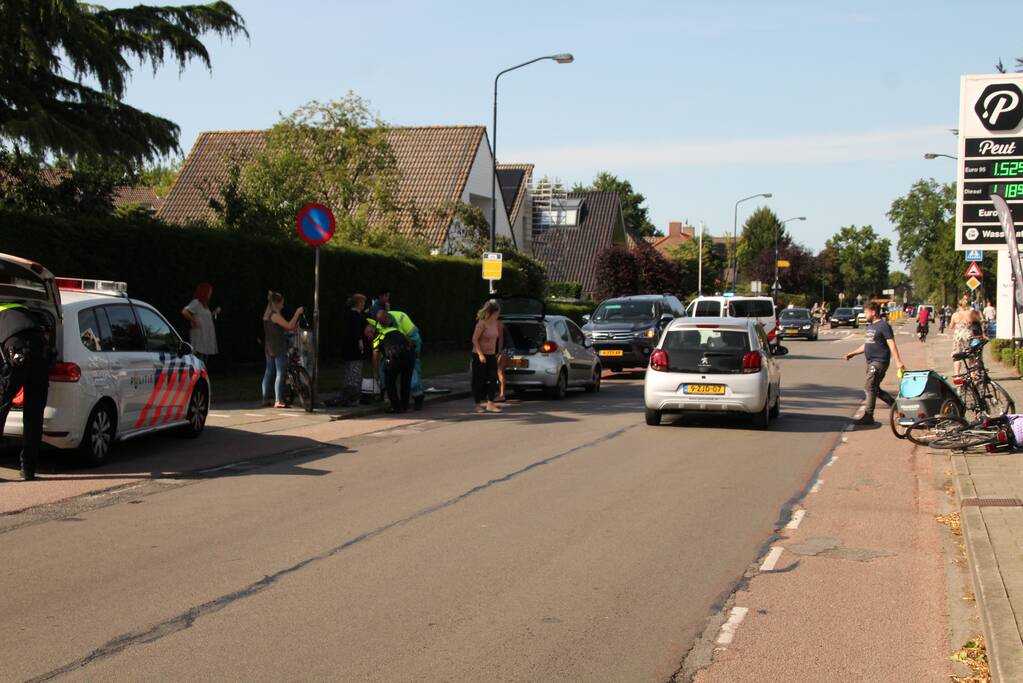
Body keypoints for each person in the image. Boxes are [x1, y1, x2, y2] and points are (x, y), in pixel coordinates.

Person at [0, 303, 51, 480]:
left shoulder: (2, 314)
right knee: (34, 415)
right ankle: (28, 469)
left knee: (2, 407)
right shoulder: (28, 313)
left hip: (16, 355)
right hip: (41, 354)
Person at [844, 301, 905, 426]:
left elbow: (891, 344)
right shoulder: (870, 326)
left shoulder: (883, 326)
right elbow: (867, 345)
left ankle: (868, 415)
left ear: (873, 312)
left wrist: (898, 361)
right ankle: (898, 409)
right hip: (871, 362)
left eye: (866, 312)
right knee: (875, 390)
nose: (864, 314)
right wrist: (852, 353)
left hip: (879, 362)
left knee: (869, 386)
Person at [262, 291, 304, 408]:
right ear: (277, 303)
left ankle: (265, 399)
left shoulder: (267, 315)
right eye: (282, 303)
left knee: (269, 372)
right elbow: (289, 325)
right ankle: (278, 400)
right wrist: (297, 313)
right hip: (279, 347)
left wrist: (291, 328)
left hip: (269, 347)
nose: (283, 306)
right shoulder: (275, 315)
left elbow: (279, 329)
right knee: (280, 373)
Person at [369, 309, 416, 413]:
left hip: (395, 358)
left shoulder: (377, 338)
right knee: (405, 382)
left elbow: (375, 357)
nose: (368, 336)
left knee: (389, 382)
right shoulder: (395, 330)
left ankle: (396, 408)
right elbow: (409, 342)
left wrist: (376, 373)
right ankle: (404, 406)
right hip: (409, 356)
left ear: (372, 331)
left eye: (368, 334)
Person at [328, 293, 367, 408]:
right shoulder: (355, 316)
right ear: (358, 303)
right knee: (355, 372)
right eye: (363, 302)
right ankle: (352, 396)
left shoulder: (351, 314)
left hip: (349, 348)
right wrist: (360, 341)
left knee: (350, 371)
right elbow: (356, 331)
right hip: (354, 349)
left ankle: (348, 395)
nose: (364, 305)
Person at [387, 309, 425, 410]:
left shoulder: (400, 317)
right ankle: (408, 401)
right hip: (399, 349)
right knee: (407, 375)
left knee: (413, 372)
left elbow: (415, 337)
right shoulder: (382, 322)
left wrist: (413, 352)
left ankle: (418, 397)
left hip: (410, 346)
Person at [472, 300, 503, 414]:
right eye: (498, 312)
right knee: (479, 380)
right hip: (479, 355)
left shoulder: (496, 323)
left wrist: (497, 353)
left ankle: (490, 403)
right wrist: (480, 354)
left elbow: (497, 339)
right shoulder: (482, 323)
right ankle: (477, 404)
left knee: (493, 378)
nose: (499, 314)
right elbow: (474, 339)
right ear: (492, 312)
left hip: (491, 355)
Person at [181, 283, 220, 365]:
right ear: (204, 292)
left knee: (203, 363)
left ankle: (200, 377)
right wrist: (193, 321)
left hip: (206, 339)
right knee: (199, 362)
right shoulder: (196, 303)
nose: (210, 294)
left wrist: (214, 313)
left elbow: (205, 317)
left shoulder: (204, 305)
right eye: (209, 292)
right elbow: (184, 311)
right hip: (199, 339)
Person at [949, 297, 975, 376]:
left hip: (958, 337)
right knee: (971, 355)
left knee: (957, 356)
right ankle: (972, 374)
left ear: (958, 306)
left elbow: (951, 326)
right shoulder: (969, 313)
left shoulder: (955, 315)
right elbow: (973, 323)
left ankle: (957, 374)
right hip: (968, 335)